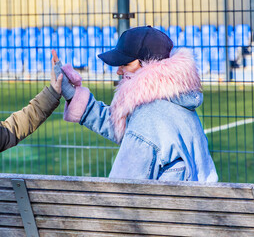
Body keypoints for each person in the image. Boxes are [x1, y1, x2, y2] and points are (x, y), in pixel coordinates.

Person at [60, 26, 218, 181]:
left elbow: (119, 192)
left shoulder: (148, 119)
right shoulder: (176, 102)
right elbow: (127, 127)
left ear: (149, 65)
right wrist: (73, 95)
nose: (119, 71)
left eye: (126, 64)